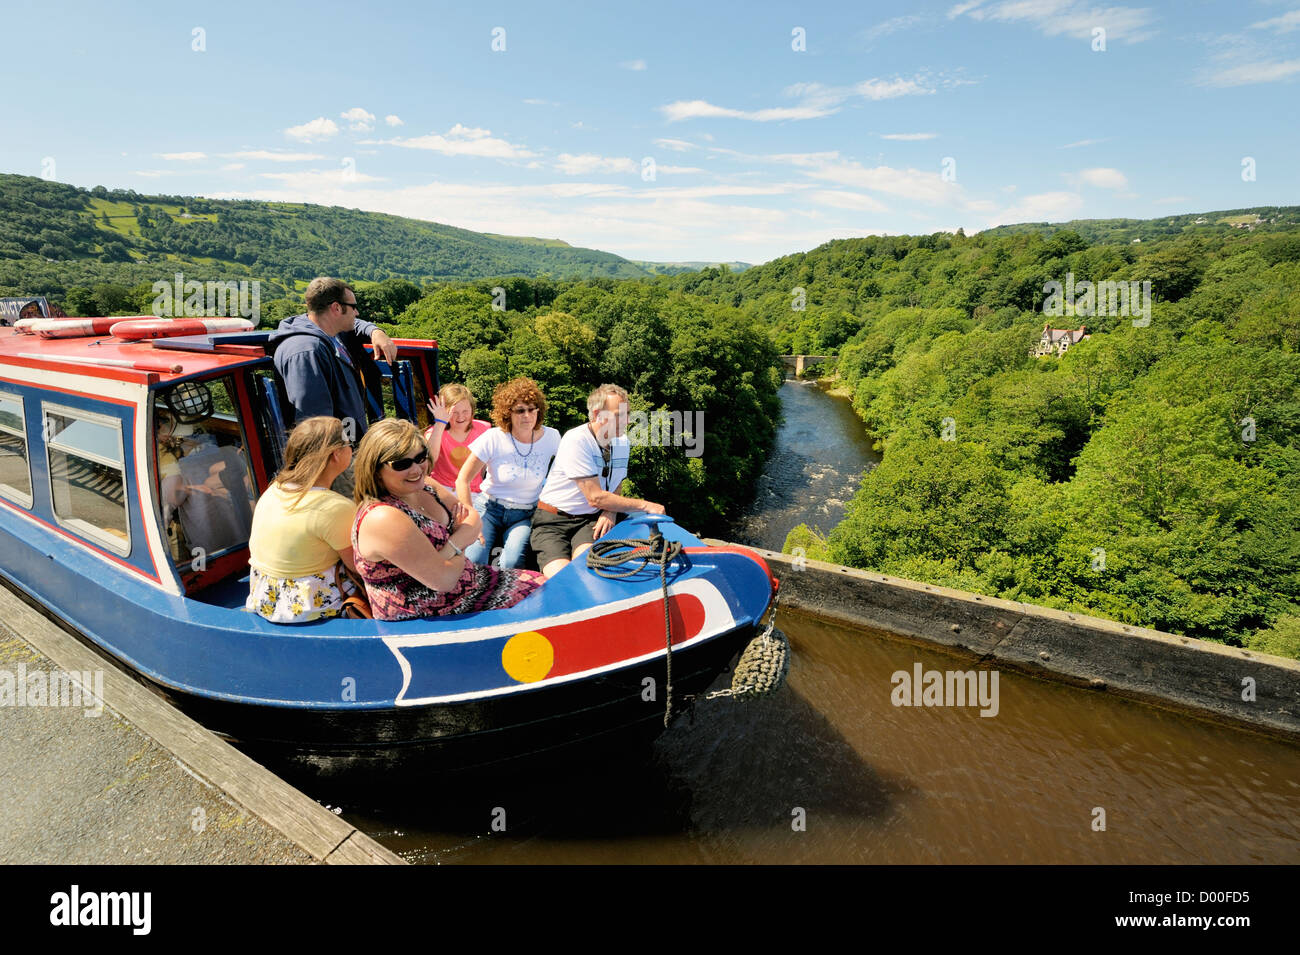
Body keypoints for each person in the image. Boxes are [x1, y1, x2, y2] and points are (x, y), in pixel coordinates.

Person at [351, 419, 545, 621]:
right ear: (375, 470)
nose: (417, 469)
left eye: (420, 457)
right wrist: (459, 539)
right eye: (402, 464)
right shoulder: (383, 517)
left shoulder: (425, 485)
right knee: (542, 601)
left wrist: (447, 552)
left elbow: (473, 519)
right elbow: (444, 580)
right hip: (431, 613)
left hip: (470, 584)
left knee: (545, 585)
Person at [269, 277, 398, 497]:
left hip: (347, 451)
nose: (357, 313)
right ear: (336, 308)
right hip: (335, 464)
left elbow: (356, 324)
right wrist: (337, 467)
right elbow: (314, 424)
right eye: (354, 307)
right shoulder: (306, 351)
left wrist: (375, 331)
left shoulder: (327, 332)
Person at [530, 383, 665, 578]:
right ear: (597, 414)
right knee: (562, 578)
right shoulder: (577, 440)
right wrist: (645, 505)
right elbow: (595, 497)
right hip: (552, 521)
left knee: (587, 571)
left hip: (588, 521)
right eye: (619, 415)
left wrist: (610, 511)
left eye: (627, 414)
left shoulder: (622, 442)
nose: (627, 421)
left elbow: (616, 483)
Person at [245, 417, 358, 622]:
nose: (352, 448)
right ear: (336, 454)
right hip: (309, 606)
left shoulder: (275, 488)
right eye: (349, 444)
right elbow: (359, 567)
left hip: (266, 599)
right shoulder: (334, 508)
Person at [454, 378, 560, 568]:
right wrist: (470, 517)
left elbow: (567, 472)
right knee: (474, 558)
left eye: (531, 408)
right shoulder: (494, 437)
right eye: (520, 410)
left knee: (512, 562)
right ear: (507, 413)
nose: (527, 415)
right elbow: (462, 479)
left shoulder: (552, 437)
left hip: (525, 513)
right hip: (489, 508)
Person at [425, 383, 491, 497]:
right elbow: (429, 461)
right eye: (454, 412)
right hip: (443, 488)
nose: (460, 417)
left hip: (474, 489)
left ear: (472, 410)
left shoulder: (483, 429)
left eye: (465, 411)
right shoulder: (434, 433)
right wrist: (440, 423)